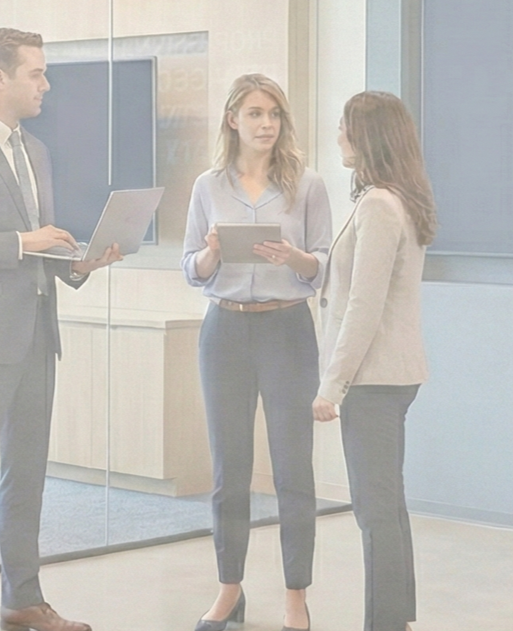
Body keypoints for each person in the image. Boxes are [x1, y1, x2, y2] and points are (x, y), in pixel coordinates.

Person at [0, 27, 123, 631]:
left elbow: (42, 247)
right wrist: (21, 241)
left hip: (36, 331)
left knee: (27, 474)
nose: (46, 84)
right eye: (36, 73)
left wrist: (78, 262)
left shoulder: (35, 150)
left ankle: (21, 602)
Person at [182, 74, 331, 631]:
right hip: (224, 332)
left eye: (273, 114)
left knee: (293, 470)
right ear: (233, 120)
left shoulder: (307, 185)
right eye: (255, 114)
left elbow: (324, 265)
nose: (266, 124)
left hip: (287, 330)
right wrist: (210, 255)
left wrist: (295, 257)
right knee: (229, 471)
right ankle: (229, 590)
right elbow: (190, 268)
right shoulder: (207, 185)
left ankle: (296, 595)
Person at [312, 91, 436, 631]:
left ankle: (384, 623)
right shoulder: (393, 199)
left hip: (374, 380)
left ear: (368, 138)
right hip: (394, 375)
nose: (338, 136)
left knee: (374, 509)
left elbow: (363, 306)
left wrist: (332, 386)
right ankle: (398, 618)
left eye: (345, 128)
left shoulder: (380, 206)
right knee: (387, 503)